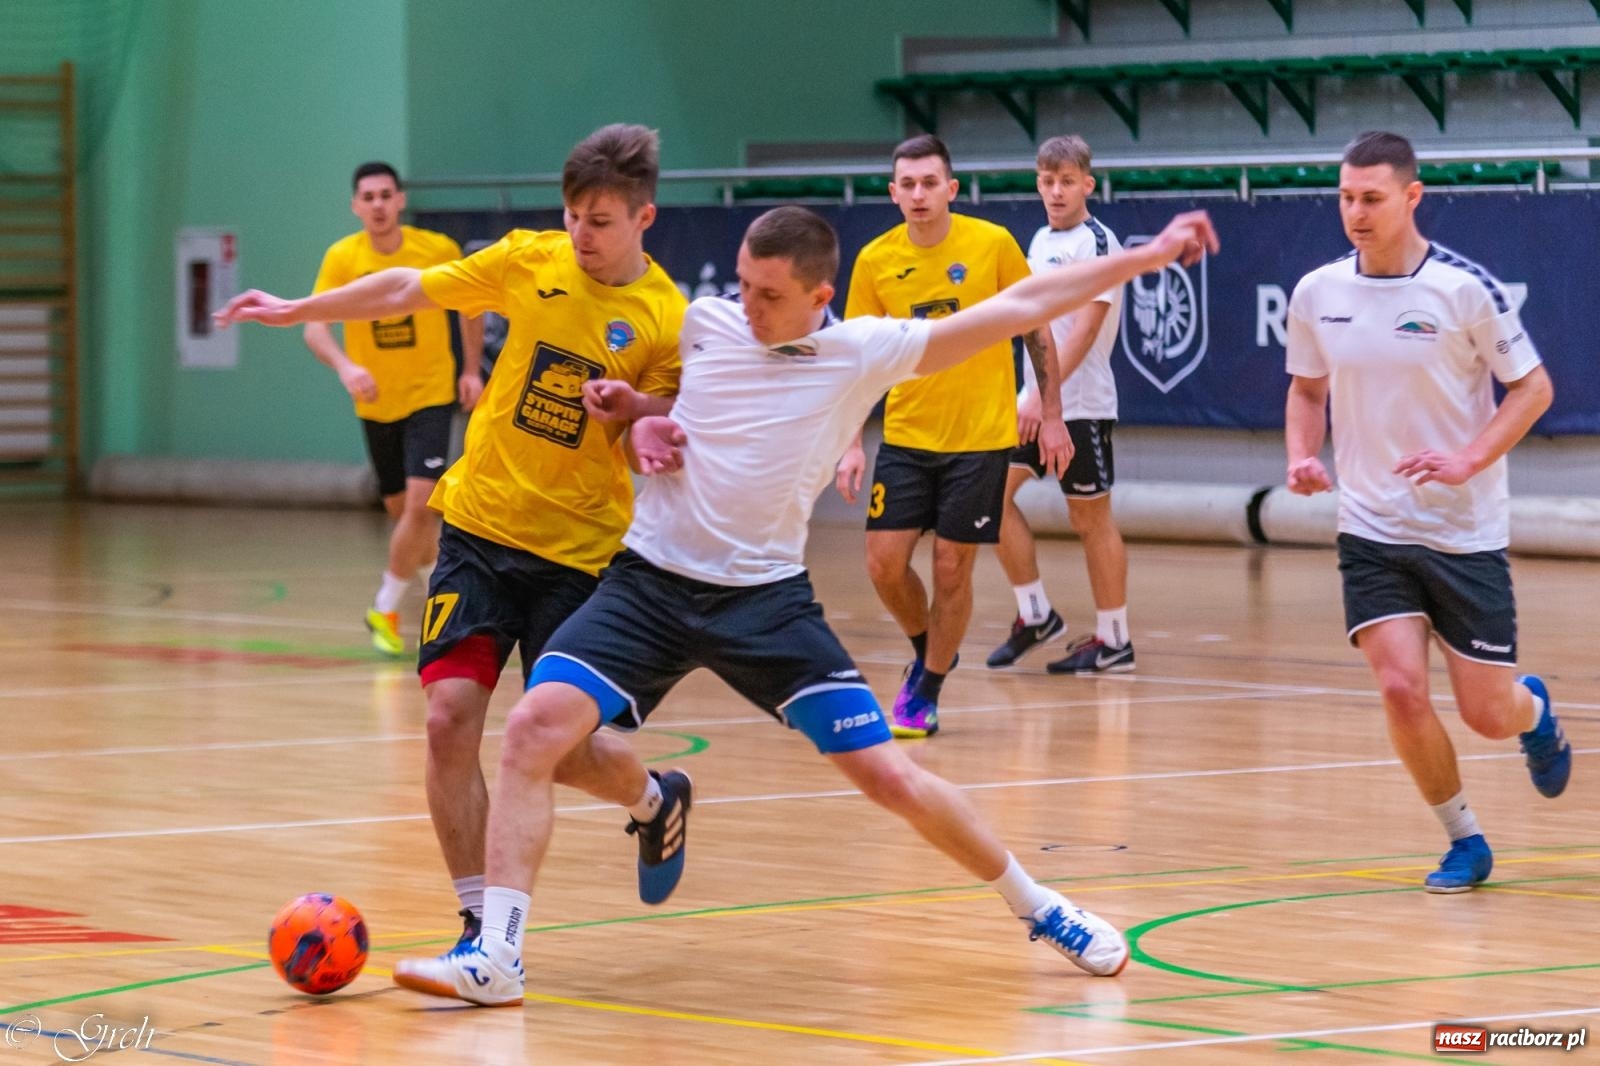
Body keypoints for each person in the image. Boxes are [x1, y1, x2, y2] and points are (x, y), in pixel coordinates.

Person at [387, 204, 1220, 1006]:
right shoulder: (706, 322)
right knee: (533, 730)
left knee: (888, 776)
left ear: (820, 296)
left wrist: (1146, 256)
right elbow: (690, 403)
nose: (747, 306)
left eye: (769, 294)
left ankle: (1040, 906)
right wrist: (640, 413)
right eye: (743, 284)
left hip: (765, 602)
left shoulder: (862, 351)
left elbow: (1021, 304)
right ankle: (498, 956)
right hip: (650, 584)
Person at [215, 125, 696, 949]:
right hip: (477, 526)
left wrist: (644, 417)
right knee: (447, 720)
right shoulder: (530, 259)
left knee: (565, 752)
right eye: (573, 215)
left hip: (578, 553)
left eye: (601, 221)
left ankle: (655, 799)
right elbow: (408, 288)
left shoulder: (665, 316)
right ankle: (480, 928)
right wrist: (303, 309)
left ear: (644, 218)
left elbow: (664, 423)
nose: (582, 234)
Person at [1284, 130, 1572, 893]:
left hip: (1462, 530)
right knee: (1400, 688)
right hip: (1370, 528)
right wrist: (1302, 454)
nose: (1356, 212)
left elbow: (1534, 389)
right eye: (1345, 198)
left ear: (1412, 197)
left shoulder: (1463, 290)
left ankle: (1533, 713)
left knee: (1487, 713)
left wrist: (1468, 459)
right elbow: (1306, 390)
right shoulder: (1317, 292)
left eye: (1371, 198)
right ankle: (1464, 839)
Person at [834, 135, 1068, 738]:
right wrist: (849, 440)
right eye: (908, 185)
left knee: (950, 567)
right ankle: (931, 648)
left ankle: (927, 689)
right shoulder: (875, 261)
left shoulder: (992, 244)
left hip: (981, 439)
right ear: (894, 193)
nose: (919, 194)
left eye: (930, 183)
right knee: (884, 565)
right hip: (908, 435)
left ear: (951, 188)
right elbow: (857, 360)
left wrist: (1052, 413)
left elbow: (1037, 328)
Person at [305, 162, 485, 656]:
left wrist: (471, 369)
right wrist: (345, 367)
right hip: (376, 403)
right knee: (405, 515)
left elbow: (470, 305)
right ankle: (445, 603)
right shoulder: (343, 257)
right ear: (355, 207)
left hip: (431, 394)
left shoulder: (436, 250)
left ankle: (384, 606)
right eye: (369, 197)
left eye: (387, 195)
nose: (379, 205)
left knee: (423, 506)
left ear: (401, 201)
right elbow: (315, 327)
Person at [987, 135, 1135, 675]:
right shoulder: (1039, 239)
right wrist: (1030, 397)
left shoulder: (1098, 243)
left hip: (1080, 406)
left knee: (1089, 518)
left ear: (1087, 185)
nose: (1056, 191)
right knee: (987, 495)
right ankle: (1035, 613)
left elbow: (1086, 332)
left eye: (1067, 181)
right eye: (1048, 181)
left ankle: (1114, 640)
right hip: (1035, 403)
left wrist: (1041, 399)